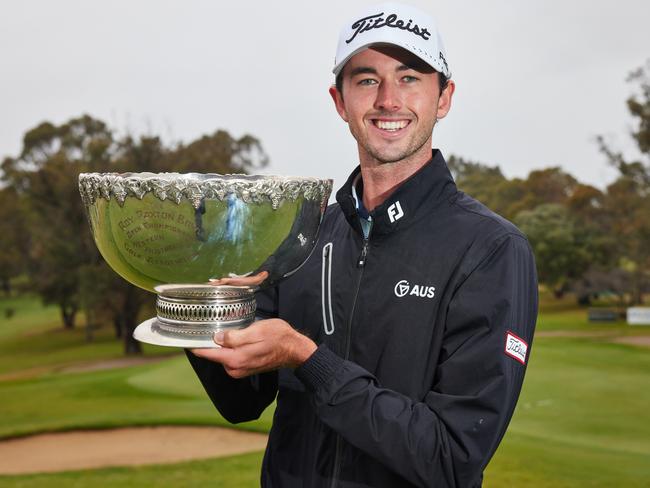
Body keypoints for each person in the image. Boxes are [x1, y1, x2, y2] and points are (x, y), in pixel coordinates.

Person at [187, 2, 538, 487]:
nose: (388, 99)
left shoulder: (492, 248)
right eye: (367, 80)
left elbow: (452, 459)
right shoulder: (304, 237)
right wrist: (198, 301)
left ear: (444, 97)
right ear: (340, 101)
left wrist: (310, 361)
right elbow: (241, 402)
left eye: (410, 77)